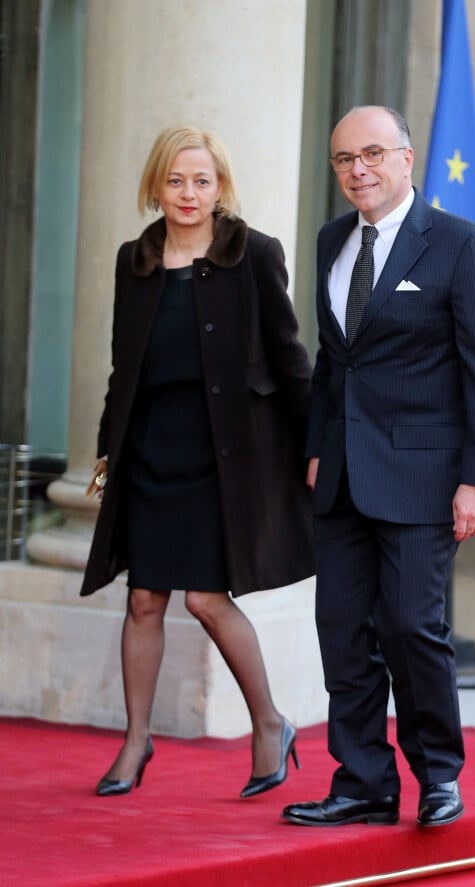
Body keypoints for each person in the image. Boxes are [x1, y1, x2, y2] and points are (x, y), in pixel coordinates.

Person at [282, 106, 475, 828]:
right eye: (345, 158)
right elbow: (332, 361)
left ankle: (437, 776)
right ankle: (362, 781)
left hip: (423, 478)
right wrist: (318, 447)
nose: (359, 169)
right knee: (343, 630)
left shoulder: (460, 244)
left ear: (407, 159)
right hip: (343, 477)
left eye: (373, 153)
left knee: (414, 629)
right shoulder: (330, 242)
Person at [80, 125, 314, 799]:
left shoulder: (255, 255)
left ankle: (269, 722)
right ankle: (136, 739)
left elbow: (291, 359)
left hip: (223, 456)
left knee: (208, 597)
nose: (189, 193)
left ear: (221, 187)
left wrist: (316, 445)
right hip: (151, 450)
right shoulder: (135, 260)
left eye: (202, 180)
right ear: (156, 185)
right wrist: (106, 444)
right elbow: (123, 366)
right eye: (176, 180)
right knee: (144, 597)